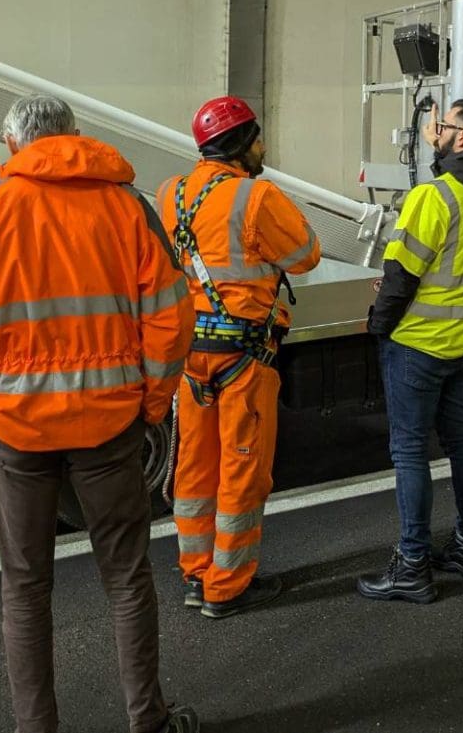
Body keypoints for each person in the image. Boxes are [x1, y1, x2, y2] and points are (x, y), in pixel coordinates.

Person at [0, 94, 198, 733]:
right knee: (126, 578)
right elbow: (171, 317)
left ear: (16, 146)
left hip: (16, 432)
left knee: (25, 588)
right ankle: (147, 719)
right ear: (74, 137)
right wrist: (151, 403)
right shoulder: (129, 207)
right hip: (109, 426)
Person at [157, 96, 321, 618]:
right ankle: (227, 586)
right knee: (241, 470)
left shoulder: (171, 194)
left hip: (190, 356)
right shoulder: (255, 196)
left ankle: (196, 574)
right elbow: (305, 256)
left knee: (193, 471)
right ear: (242, 143)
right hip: (244, 358)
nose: (263, 147)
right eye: (258, 138)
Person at [358, 98, 463, 603]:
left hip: (420, 345)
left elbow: (402, 271)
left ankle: (411, 565)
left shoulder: (436, 196)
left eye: (441, 126)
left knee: (409, 452)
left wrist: (379, 325)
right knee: (461, 443)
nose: (433, 133)